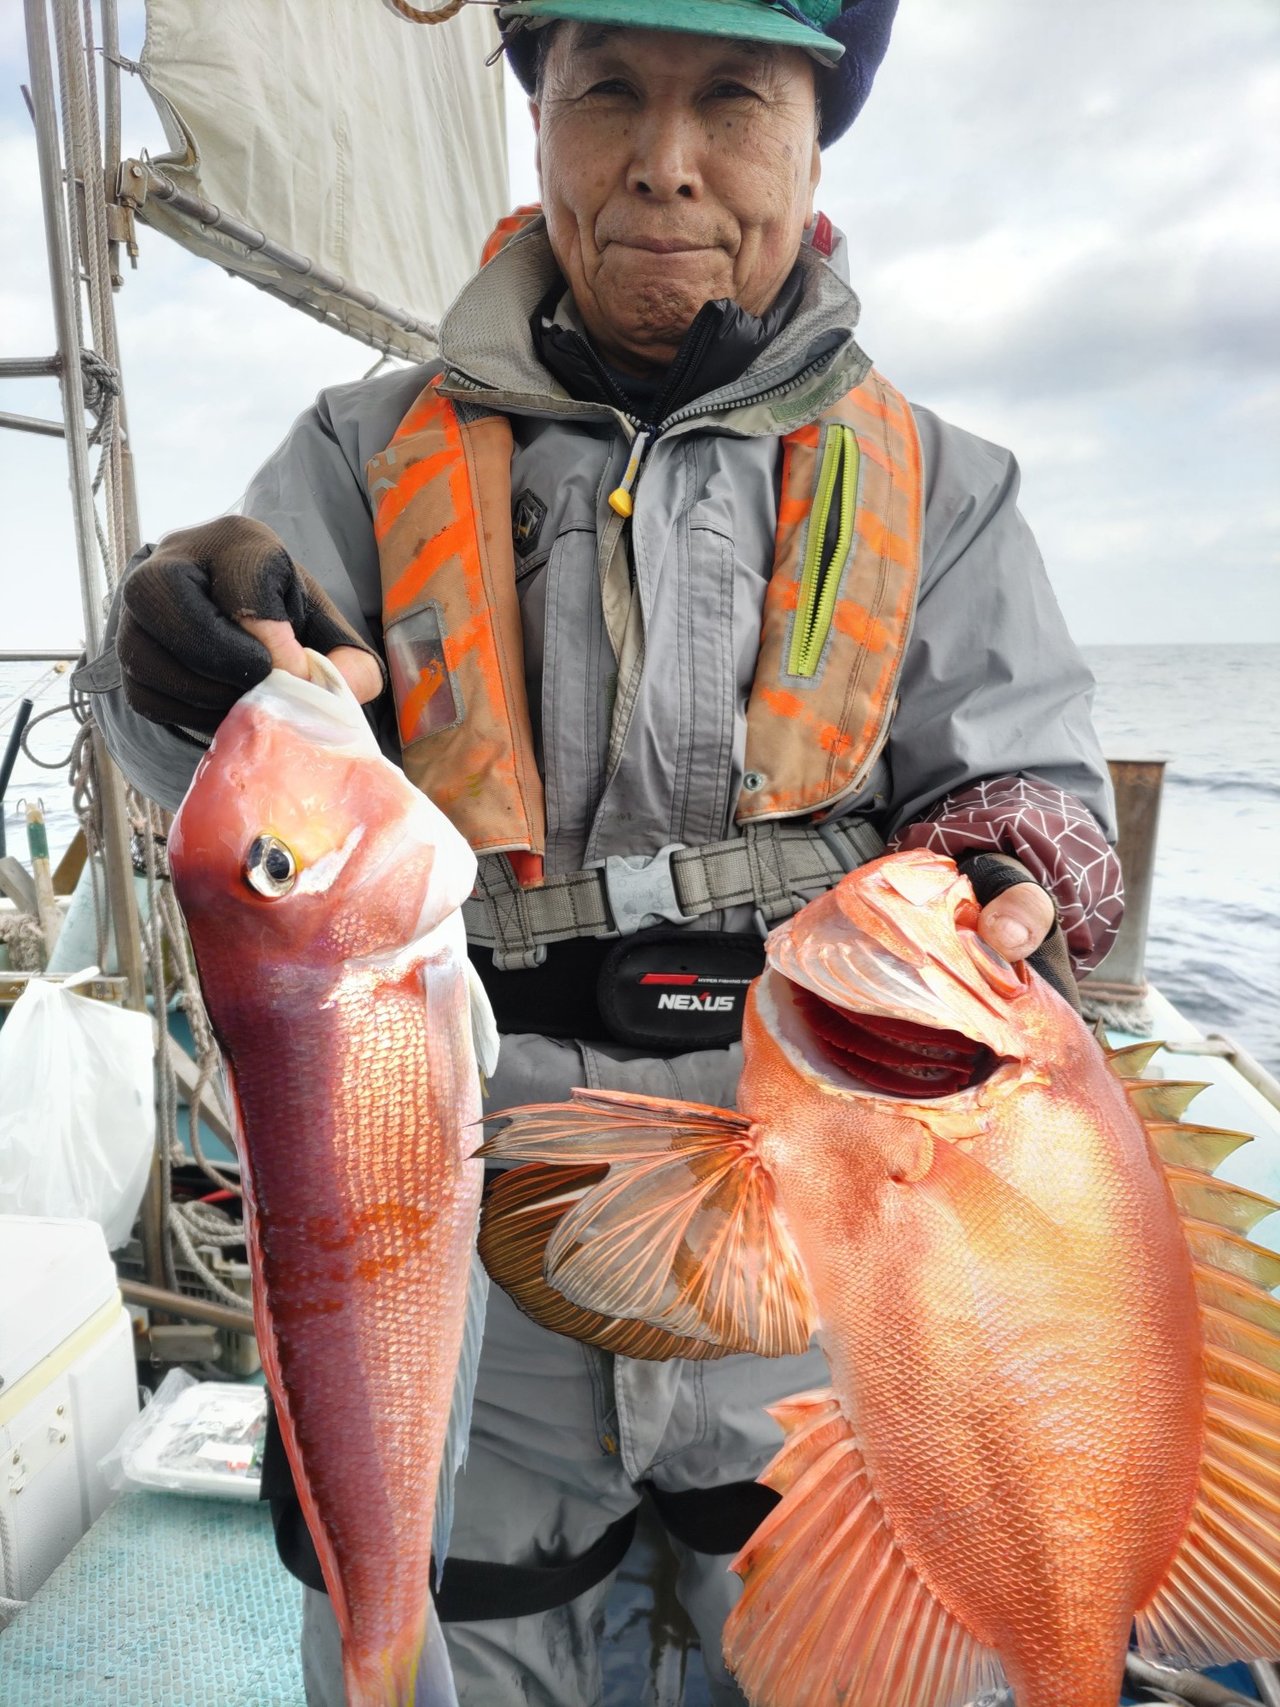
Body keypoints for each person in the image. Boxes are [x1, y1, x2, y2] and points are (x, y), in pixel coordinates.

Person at [88, 2, 1125, 1701]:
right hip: (455, 1232)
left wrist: (1020, 857)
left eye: (734, 100)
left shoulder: (948, 487)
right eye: (608, 95)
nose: (665, 161)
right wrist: (172, 658)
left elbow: (1032, 783)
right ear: (539, 118)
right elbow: (235, 792)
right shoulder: (357, 452)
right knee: (426, 1633)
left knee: (866, 1640)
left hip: (828, 1255)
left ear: (817, 137)